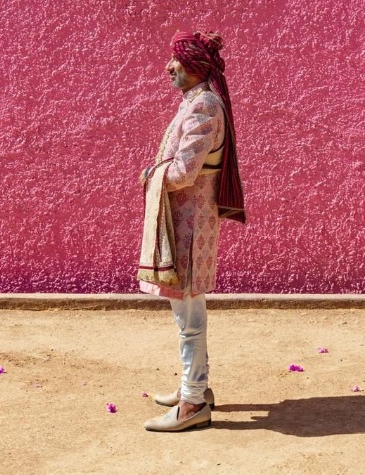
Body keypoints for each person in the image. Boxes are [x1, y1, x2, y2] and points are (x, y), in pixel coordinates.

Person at [138, 30, 245, 433]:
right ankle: (193, 387)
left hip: (190, 221)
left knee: (188, 310)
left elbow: (183, 172)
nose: (169, 68)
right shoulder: (197, 102)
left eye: (176, 62)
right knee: (188, 307)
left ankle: (194, 401)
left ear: (196, 68)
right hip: (187, 218)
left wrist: (151, 174)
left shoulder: (203, 106)